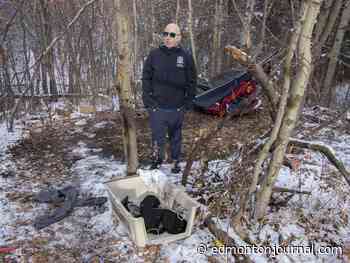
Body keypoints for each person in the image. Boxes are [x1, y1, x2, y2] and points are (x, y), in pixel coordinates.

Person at [142, 23, 197, 173]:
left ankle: (176, 161)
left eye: (172, 35)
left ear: (178, 37)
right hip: (157, 107)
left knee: (176, 138)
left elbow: (192, 81)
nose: (168, 38)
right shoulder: (154, 55)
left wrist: (187, 102)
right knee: (157, 137)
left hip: (177, 108)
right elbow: (146, 78)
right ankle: (156, 160)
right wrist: (148, 101)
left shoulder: (185, 57)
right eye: (165, 34)